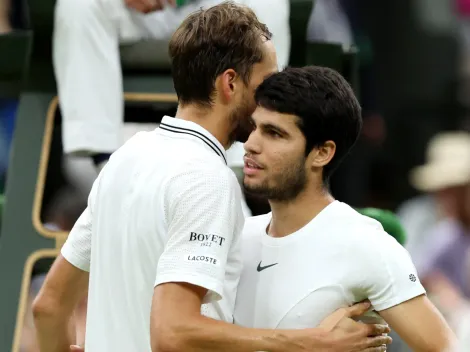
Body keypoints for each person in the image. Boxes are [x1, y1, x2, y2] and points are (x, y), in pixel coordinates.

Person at [32, 3, 391, 352]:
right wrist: (309, 343)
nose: (272, 100)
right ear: (230, 84)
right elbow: (173, 334)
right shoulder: (207, 179)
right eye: (265, 84)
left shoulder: (124, 160)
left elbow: (48, 307)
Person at [234, 66, 457, 351]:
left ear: (322, 152)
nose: (251, 144)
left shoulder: (365, 244)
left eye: (274, 133)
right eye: (254, 127)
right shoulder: (239, 235)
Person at [53, 0, 290, 171]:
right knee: (78, 6)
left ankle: (236, 169)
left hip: (214, 9)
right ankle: (106, 167)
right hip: (135, 11)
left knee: (268, 4)